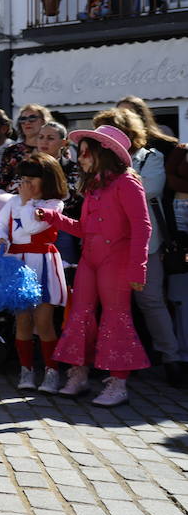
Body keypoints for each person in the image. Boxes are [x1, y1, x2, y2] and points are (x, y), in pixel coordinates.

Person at [39, 125, 150, 407]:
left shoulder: (127, 183)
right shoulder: (93, 187)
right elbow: (86, 228)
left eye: (86, 152)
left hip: (118, 261)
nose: (81, 158)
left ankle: (118, 382)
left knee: (116, 316)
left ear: (104, 153)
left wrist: (139, 267)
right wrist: (55, 218)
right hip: (91, 259)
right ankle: (79, 373)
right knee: (80, 313)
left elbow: (142, 226)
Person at [93, 106, 179, 383]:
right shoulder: (96, 165)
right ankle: (113, 358)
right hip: (108, 242)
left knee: (150, 300)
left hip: (145, 243)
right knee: (112, 304)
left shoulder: (148, 158)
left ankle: (171, 358)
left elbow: (148, 190)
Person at [0, 153, 69, 394]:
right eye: (24, 178)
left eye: (32, 179)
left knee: (43, 321)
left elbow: (33, 226)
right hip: (17, 264)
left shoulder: (53, 204)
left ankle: (52, 371)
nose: (27, 184)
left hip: (43, 263)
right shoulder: (14, 201)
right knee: (22, 319)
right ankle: (26, 370)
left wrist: (25, 203)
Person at [0, 104, 51, 192]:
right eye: (23, 119)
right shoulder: (11, 151)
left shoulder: (53, 147)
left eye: (32, 118)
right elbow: (3, 183)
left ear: (44, 121)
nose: (27, 122)